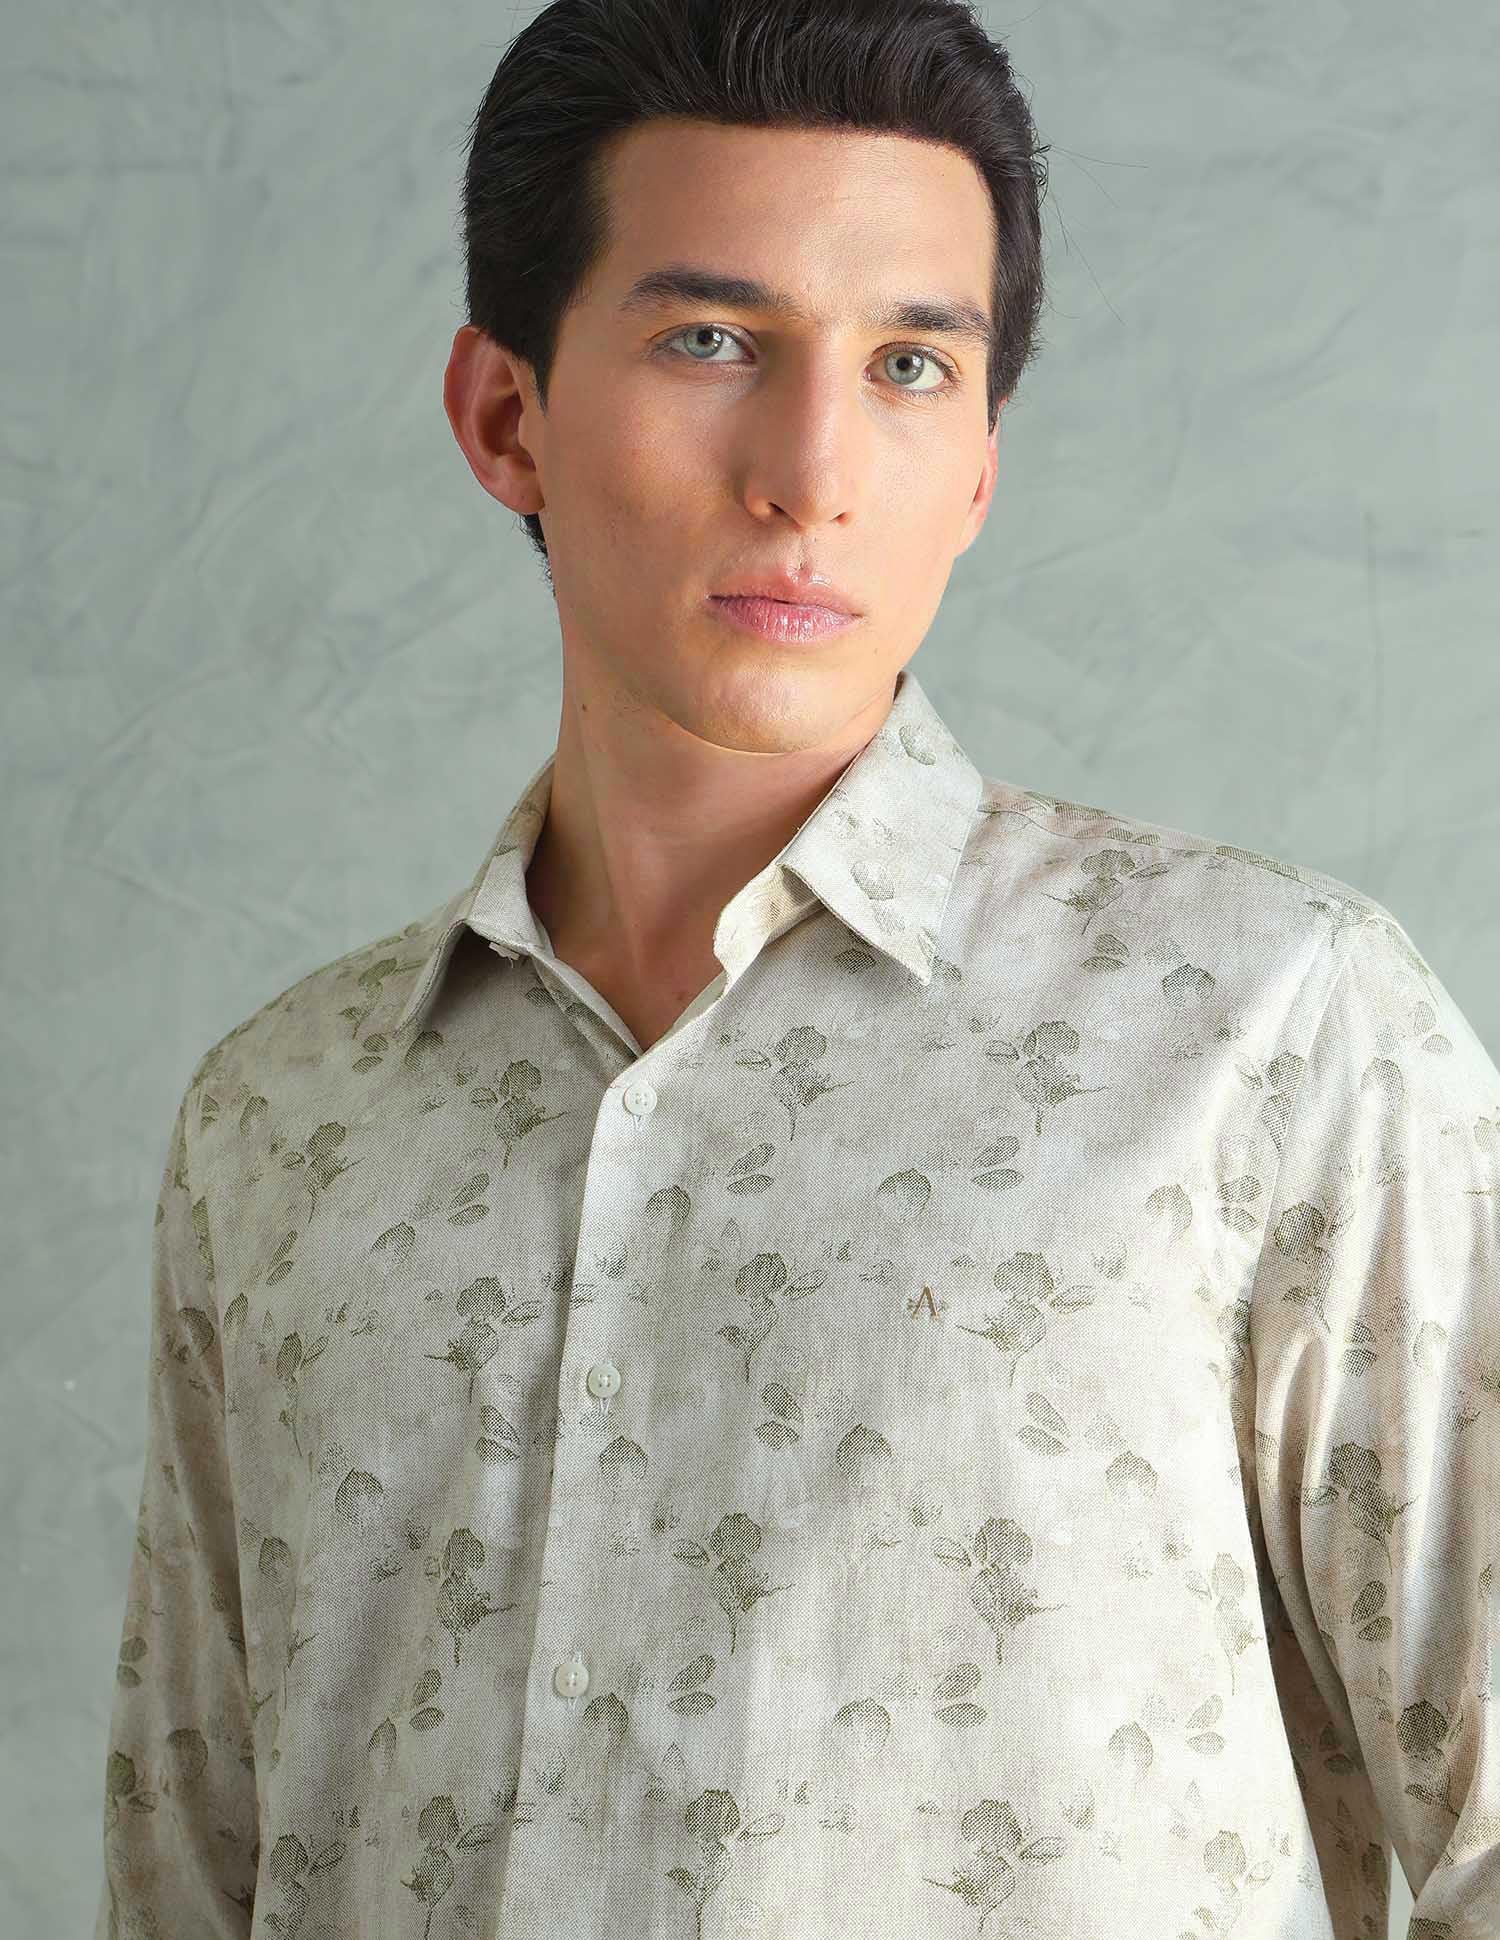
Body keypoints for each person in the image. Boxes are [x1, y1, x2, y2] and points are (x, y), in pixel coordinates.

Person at [95, 1, 1497, 1935]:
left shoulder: (1269, 1034)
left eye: (912, 365)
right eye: (711, 340)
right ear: (505, 417)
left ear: (980, 464)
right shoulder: (285, 1124)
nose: (811, 470)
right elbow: (189, 1868)